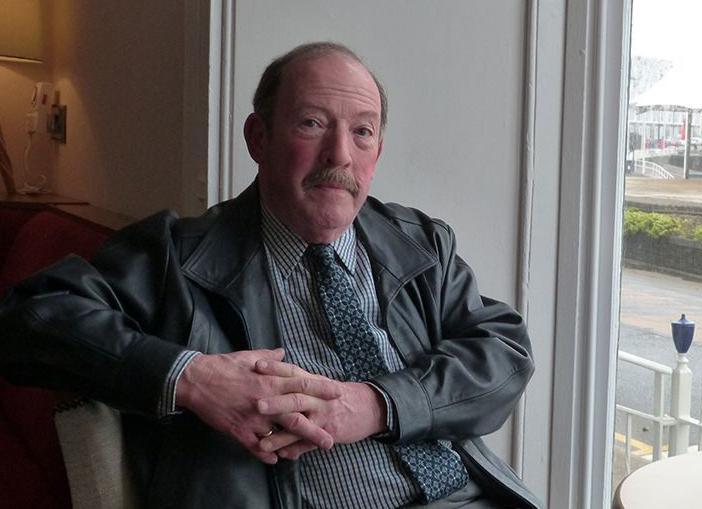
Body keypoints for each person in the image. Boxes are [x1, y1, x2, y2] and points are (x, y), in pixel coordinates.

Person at [0, 42, 541, 509]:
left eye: (362, 133)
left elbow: (503, 350)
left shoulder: (419, 243)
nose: (340, 156)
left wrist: (376, 405)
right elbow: (28, 322)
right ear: (258, 137)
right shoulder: (176, 257)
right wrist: (192, 378)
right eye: (312, 124)